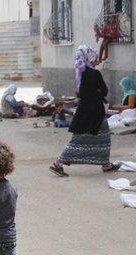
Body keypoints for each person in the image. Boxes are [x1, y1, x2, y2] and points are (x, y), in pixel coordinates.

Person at [49, 45, 121, 177]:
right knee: (104, 138)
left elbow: (80, 94)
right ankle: (59, 163)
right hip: (96, 113)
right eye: (93, 56)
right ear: (89, 57)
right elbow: (104, 91)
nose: (95, 60)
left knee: (78, 139)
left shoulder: (79, 74)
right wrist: (97, 92)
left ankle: (104, 164)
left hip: (83, 112)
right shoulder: (95, 73)